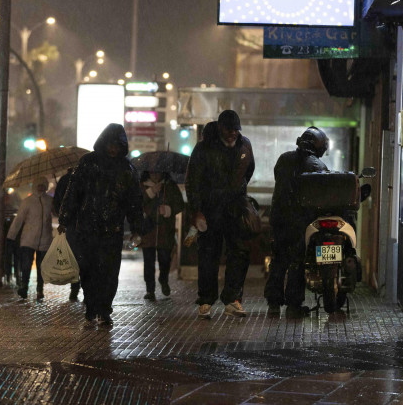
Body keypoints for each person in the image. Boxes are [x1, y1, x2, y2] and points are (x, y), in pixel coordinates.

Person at [57, 124, 144, 326]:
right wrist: (65, 218)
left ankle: (104, 309)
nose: (113, 150)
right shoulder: (88, 163)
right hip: (87, 227)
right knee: (87, 269)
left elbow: (134, 202)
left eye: (117, 146)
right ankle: (91, 307)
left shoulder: (127, 170)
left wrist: (137, 227)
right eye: (110, 145)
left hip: (112, 230)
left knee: (109, 271)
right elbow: (74, 192)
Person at [185, 110, 255, 319]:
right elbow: (193, 181)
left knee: (239, 253)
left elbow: (248, 171)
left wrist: (237, 191)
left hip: (235, 209)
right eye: (229, 129)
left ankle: (232, 299)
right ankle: (206, 300)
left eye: (236, 129)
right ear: (220, 128)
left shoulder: (245, 145)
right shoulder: (204, 148)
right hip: (210, 210)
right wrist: (197, 210)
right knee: (208, 255)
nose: (233, 133)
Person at [265, 126, 330, 318]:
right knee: (297, 262)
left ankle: (273, 303)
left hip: (278, 218)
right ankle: (293, 305)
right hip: (300, 221)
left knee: (278, 261)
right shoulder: (318, 166)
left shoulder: (284, 159)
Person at [140, 171, 184, 301]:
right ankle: (150, 289)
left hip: (165, 231)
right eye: (152, 172)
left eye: (157, 171)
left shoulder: (170, 186)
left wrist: (169, 209)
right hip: (148, 231)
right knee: (148, 262)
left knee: (165, 260)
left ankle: (163, 279)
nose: (155, 174)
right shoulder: (142, 186)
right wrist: (151, 192)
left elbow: (180, 204)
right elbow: (136, 203)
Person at [7, 177, 54, 300]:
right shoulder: (27, 202)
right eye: (39, 185)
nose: (41, 187)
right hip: (28, 239)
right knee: (26, 265)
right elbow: (19, 220)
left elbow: (57, 213)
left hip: (45, 239)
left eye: (43, 185)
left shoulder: (50, 201)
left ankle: (40, 289)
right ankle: (24, 287)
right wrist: (11, 236)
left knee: (42, 267)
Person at [52, 168, 81, 302]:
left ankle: (74, 288)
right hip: (82, 224)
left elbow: (57, 203)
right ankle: (80, 288)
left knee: (73, 256)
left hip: (71, 225)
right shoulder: (86, 178)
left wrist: (62, 219)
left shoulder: (64, 180)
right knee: (83, 257)